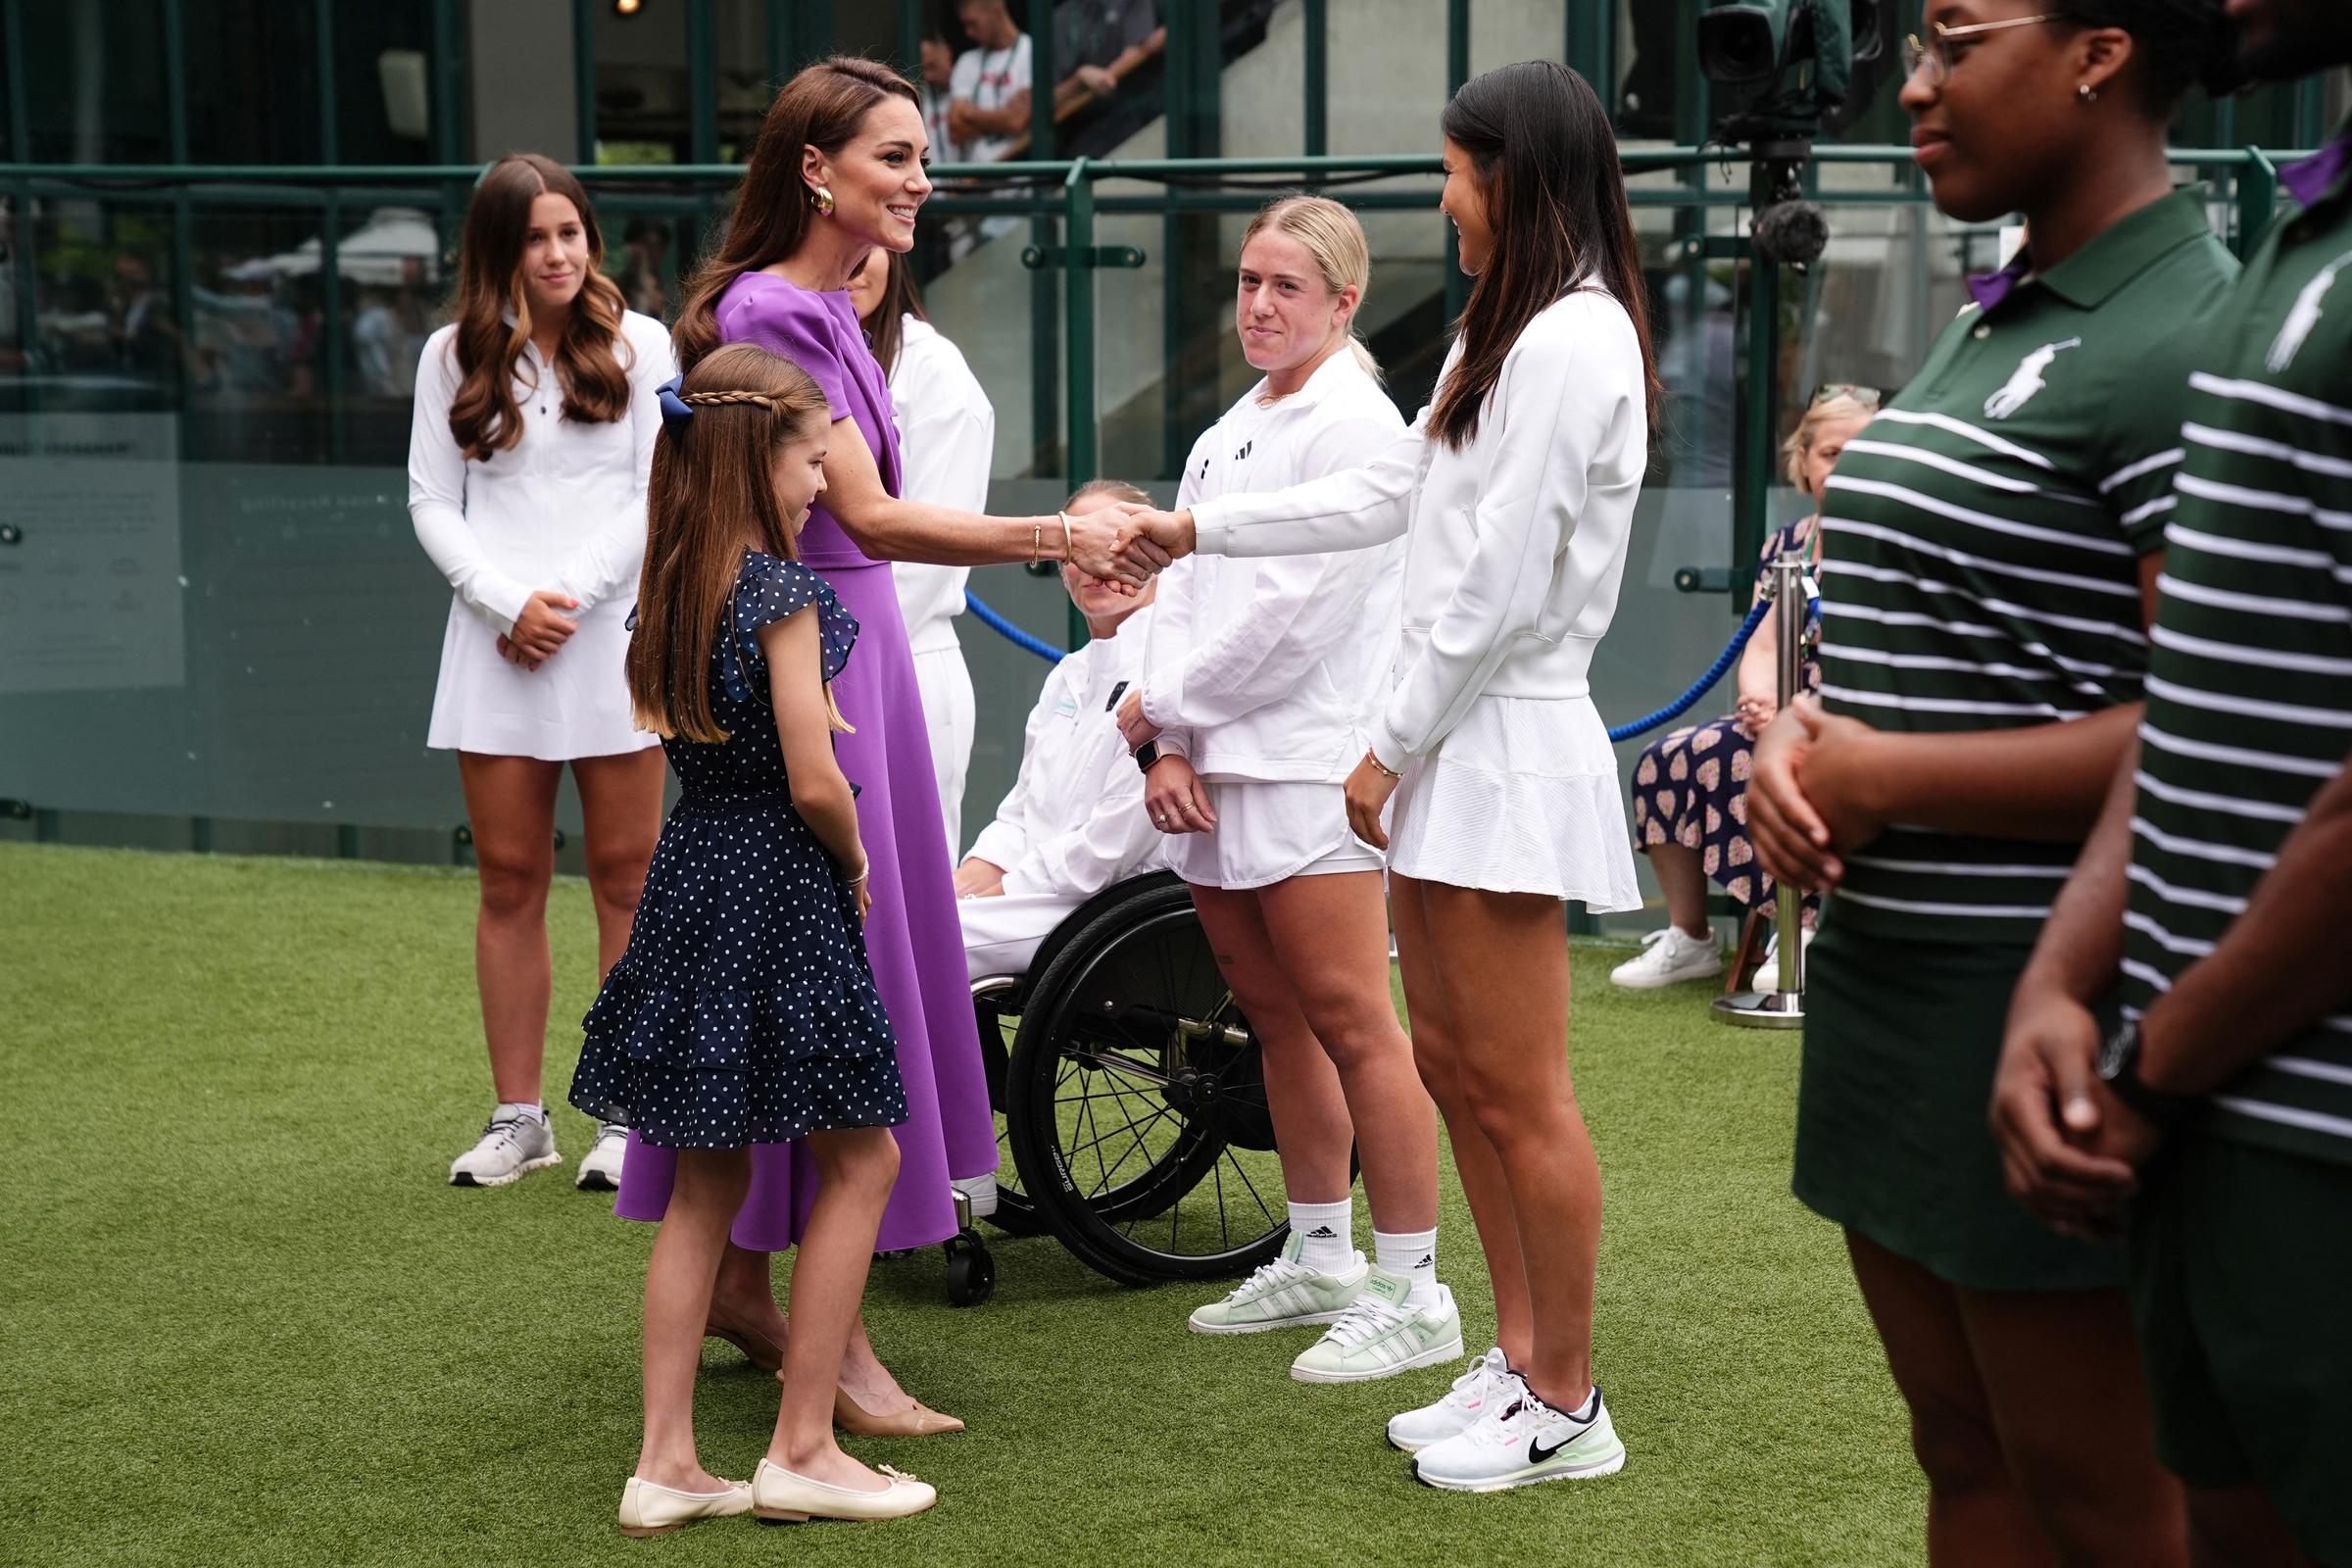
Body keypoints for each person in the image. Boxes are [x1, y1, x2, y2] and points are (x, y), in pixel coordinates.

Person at [1745, 5, 2242, 1563]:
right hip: (1895, 994)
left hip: (2045, 1000)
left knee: (2107, 1510)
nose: (1913, 83)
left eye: (1955, 41)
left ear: (2100, 49)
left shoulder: (2187, 329)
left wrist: (1891, 773)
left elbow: (2241, 719)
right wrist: (1793, 743)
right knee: (1960, 1457)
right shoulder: (2003, 305)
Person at [1115, 61, 1656, 1491]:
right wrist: (1196, 532)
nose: (1443, 198)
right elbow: (1388, 499)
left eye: (1457, 173)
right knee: (1461, 1071)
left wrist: (1386, 747)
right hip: (1456, 746)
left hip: (1499, 744)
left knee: (1519, 1086)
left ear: (1516, 177)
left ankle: (1569, 1400)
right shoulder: (1509, 325)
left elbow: (1495, 583)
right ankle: (1522, 1363)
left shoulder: (1574, 341)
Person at [637, 55, 1142, 1435]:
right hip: (828, 660)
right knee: (834, 1007)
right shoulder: (774, 312)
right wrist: (1062, 532)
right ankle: (830, 1357)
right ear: (816, 168)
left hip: (862, 665)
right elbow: (871, 519)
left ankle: (771, 1300)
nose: (923, 178)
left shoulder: (828, 302)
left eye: (923, 157)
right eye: (895, 158)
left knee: (842, 1000)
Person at [1990, 3, 2352, 1561]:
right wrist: (2067, 983)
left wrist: (2150, 1070)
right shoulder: (2307, 222)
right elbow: (2199, 689)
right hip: (2207, 1114)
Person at [572, 343, 935, 1533]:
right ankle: (805, 1444)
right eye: (816, 451)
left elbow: (694, 734)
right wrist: (856, 856)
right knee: (866, 1157)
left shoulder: (672, 588)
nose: (829, 476)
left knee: (701, 1182)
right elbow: (815, 773)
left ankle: (664, 1462)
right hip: (778, 878)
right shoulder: (785, 596)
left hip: (694, 878)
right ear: (763, 454)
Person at [1109, 195, 1452, 1385]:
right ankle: (1321, 1254)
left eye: (1287, 288)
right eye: (1249, 281)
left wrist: (1166, 715)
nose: (1259, 304)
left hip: (1310, 768)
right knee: (1276, 1019)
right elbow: (1179, 597)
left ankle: (1415, 1289)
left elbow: (1297, 624)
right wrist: (1161, 744)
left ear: (1344, 302)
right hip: (1212, 770)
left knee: (1358, 1022)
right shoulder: (1226, 430)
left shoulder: (1360, 424)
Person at [409, 153, 675, 1194]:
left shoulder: (644, 343)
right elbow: (433, 499)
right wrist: (499, 601)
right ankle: (519, 1118)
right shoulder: (450, 355)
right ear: (497, 252)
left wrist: (559, 596)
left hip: (611, 643)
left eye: (570, 232)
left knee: (628, 876)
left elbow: (660, 492)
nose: (557, 253)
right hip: (494, 651)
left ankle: (622, 1115)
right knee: (510, 878)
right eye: (533, 237)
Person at [1611, 389, 1874, 991]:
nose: (1845, 467)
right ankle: (1691, 937)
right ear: (1804, 461)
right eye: (1832, 453)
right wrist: (1760, 697)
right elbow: (1760, 646)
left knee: (1809, 770)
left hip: (1854, 723)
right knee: (1669, 759)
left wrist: (1801, 712)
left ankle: (1808, 923)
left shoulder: (1893, 544)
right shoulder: (1787, 547)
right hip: (1783, 715)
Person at [959, 478, 1164, 982]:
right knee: (911, 924)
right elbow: (1019, 815)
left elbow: (1111, 848)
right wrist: (962, 885)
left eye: (1121, 544)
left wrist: (995, 897)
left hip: (1113, 910)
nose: (1097, 562)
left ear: (1164, 557)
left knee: (917, 948)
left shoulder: (1167, 672)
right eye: (1080, 547)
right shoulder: (1067, 675)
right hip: (1039, 897)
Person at [846, 247, 995, 855]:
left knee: (905, 890)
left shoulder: (935, 371)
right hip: (795, 667)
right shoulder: (783, 349)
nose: (855, 266)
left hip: (899, 658)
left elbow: (928, 554)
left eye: (867, 248)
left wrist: (817, 657)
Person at [947, 0, 1032, 164]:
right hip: (976, 181)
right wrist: (1003, 118)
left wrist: (969, 113)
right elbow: (956, 129)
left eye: (973, 23)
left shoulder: (1031, 52)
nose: (969, 33)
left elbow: (1017, 121)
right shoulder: (967, 61)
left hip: (1019, 182)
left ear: (995, 9)